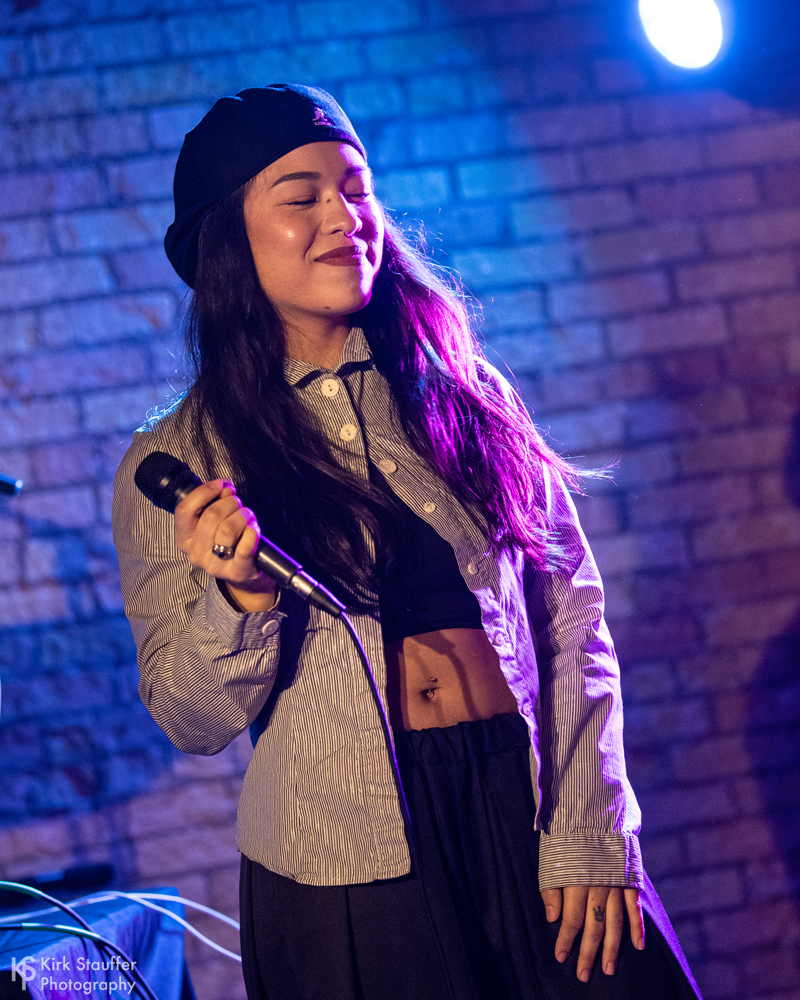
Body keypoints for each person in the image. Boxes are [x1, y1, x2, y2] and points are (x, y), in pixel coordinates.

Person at [113, 84, 702, 1000]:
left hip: (526, 794)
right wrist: (238, 599)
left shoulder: (465, 392)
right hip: (344, 866)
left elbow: (572, 617)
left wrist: (593, 822)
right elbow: (189, 718)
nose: (343, 217)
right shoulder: (180, 457)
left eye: (357, 190)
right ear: (229, 240)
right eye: (302, 197)